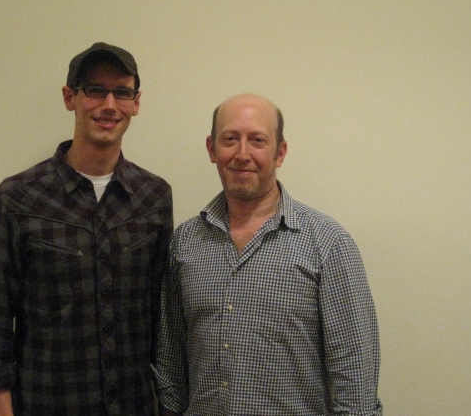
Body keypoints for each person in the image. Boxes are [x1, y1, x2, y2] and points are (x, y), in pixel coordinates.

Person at [0, 42, 173, 416]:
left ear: (136, 103)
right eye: (96, 90)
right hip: (49, 403)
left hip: (135, 405)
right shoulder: (17, 197)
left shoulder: (155, 196)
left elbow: (161, 316)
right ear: (71, 97)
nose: (109, 105)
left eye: (122, 92)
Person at [153, 94, 382, 415]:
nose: (242, 154)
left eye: (257, 140)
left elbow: (354, 371)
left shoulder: (327, 243)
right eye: (230, 139)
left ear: (280, 152)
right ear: (211, 149)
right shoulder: (187, 241)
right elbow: (170, 360)